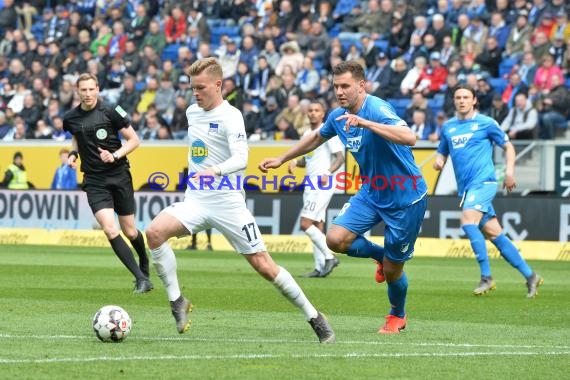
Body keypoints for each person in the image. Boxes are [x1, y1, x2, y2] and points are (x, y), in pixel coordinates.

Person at [144, 57, 335, 343]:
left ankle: (314, 316)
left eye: (201, 87)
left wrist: (215, 170)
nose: (195, 93)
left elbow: (242, 158)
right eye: (192, 88)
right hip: (196, 200)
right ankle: (177, 301)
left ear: (218, 85)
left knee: (264, 265)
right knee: (154, 233)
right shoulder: (192, 113)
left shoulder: (231, 116)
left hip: (228, 202)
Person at [259, 60, 428, 334]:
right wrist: (281, 158)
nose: (339, 91)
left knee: (394, 271)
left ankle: (397, 315)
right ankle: (380, 257)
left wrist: (366, 123)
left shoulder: (377, 108)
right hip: (372, 192)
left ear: (362, 86)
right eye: (336, 86)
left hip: (406, 198)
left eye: (345, 86)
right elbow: (316, 138)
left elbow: (410, 137)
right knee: (335, 239)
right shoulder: (338, 116)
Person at [433, 84, 543, 298]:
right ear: (454, 101)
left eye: (466, 97)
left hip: (484, 182)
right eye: (458, 97)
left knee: (468, 222)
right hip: (466, 188)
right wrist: (438, 161)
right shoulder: (448, 127)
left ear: (474, 100)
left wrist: (509, 172)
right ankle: (531, 276)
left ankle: (486, 277)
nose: (462, 100)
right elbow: (442, 153)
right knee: (495, 234)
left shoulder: (486, 123)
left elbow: (508, 147)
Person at [63, 73, 153, 294]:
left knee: (130, 232)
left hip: (119, 174)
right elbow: (76, 135)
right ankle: (141, 279)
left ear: (98, 89)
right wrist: (73, 154)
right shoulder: (70, 117)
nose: (87, 94)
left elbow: (134, 140)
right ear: (77, 91)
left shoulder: (112, 110)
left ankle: (143, 261)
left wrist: (115, 155)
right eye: (83, 90)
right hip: (94, 180)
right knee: (109, 229)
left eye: (91, 89)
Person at [288, 100, 344, 278]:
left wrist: (328, 172)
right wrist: (297, 161)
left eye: (316, 110)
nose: (312, 113)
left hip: (322, 183)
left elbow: (340, 157)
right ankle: (320, 267)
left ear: (323, 113)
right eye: (310, 110)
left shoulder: (328, 132)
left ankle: (329, 257)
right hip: (310, 184)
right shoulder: (306, 134)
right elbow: (309, 158)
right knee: (317, 225)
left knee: (305, 223)